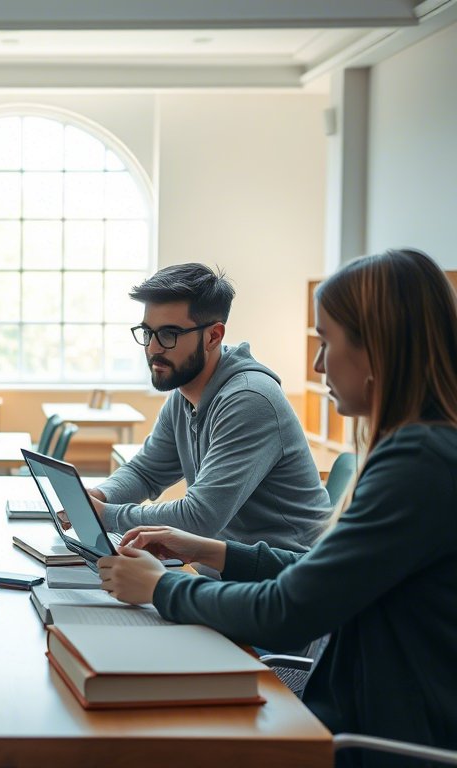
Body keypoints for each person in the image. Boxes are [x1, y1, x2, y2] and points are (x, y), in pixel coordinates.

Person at [99, 249, 457, 766]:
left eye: (326, 341)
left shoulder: (418, 462)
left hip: (367, 740)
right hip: (350, 700)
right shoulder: (417, 450)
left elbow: (287, 609)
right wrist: (211, 551)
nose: (315, 363)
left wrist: (161, 586)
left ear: (378, 349)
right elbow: (315, 574)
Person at [64, 262, 331, 551]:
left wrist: (107, 517)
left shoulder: (250, 399)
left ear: (213, 336)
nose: (153, 348)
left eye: (169, 334)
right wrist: (100, 497)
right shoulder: (184, 393)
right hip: (228, 574)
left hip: (283, 578)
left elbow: (200, 516)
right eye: (147, 332)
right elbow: (146, 472)